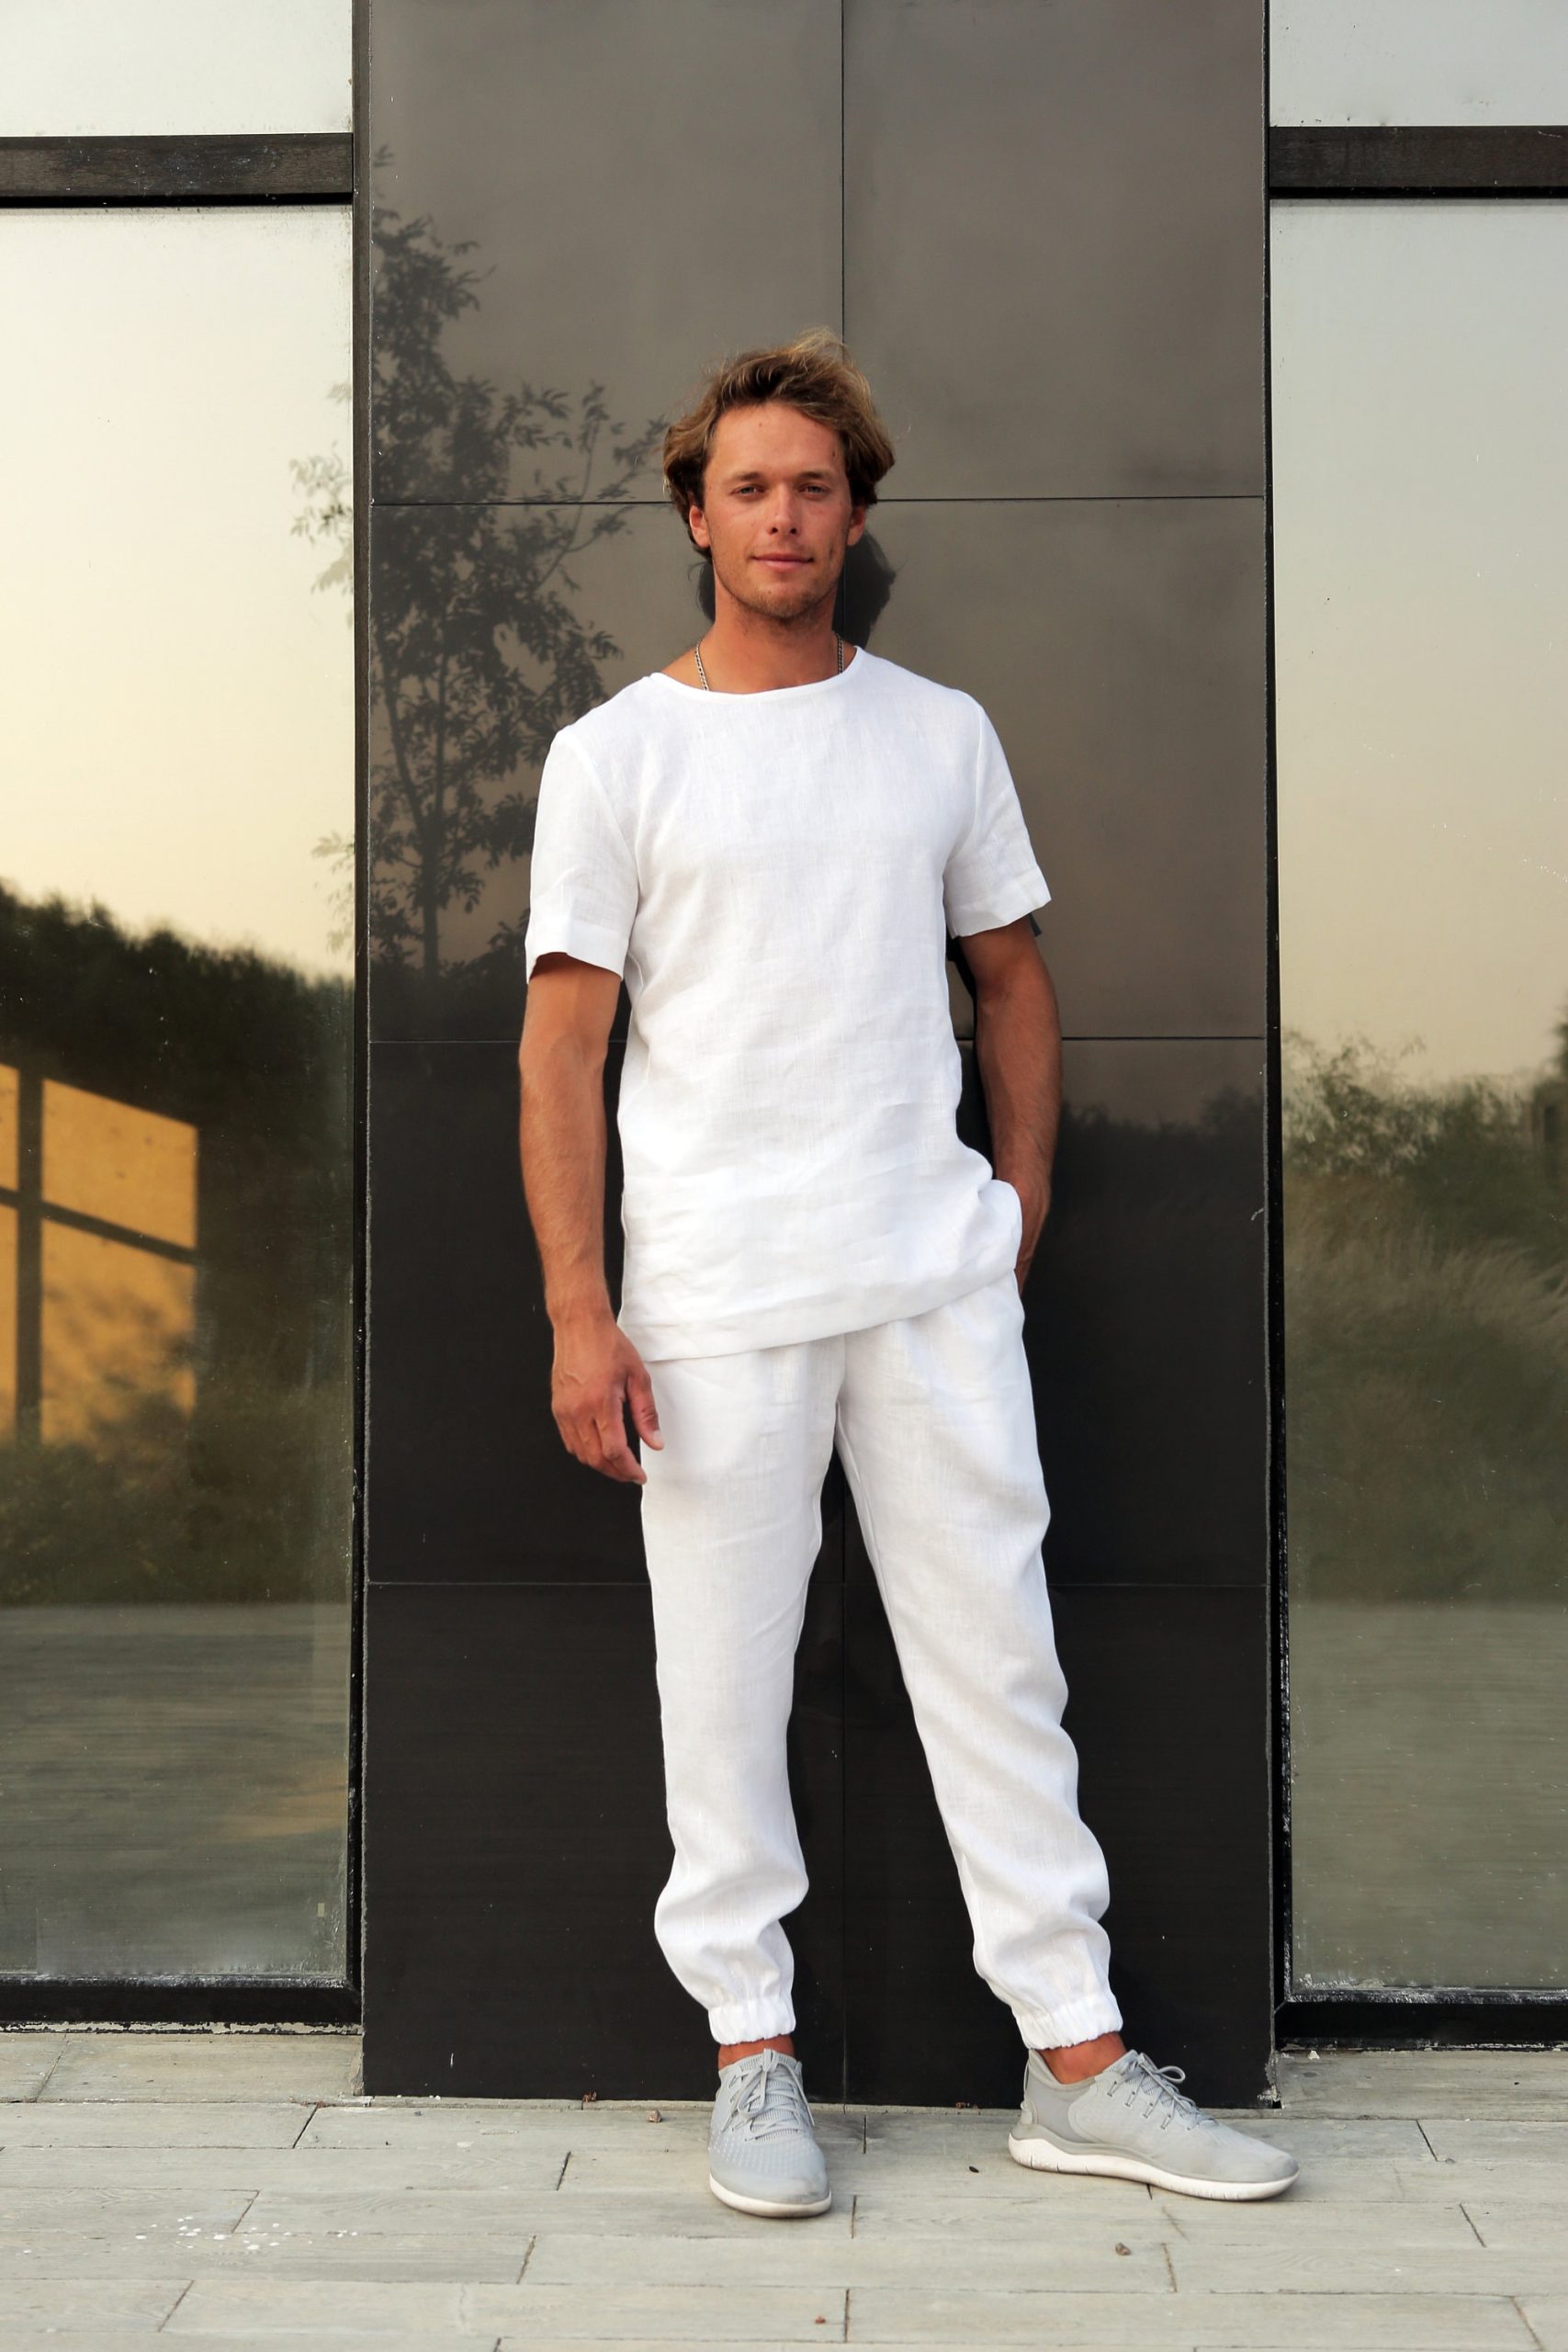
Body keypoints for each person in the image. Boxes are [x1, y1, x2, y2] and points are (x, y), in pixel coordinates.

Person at [517, 328, 1298, 2217]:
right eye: (749, 486)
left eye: (815, 486)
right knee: (719, 1691)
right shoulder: (615, 756)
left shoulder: (940, 732)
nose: (783, 515)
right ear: (696, 514)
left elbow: (1010, 978)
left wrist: (1016, 1199)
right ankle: (750, 2054)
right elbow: (560, 1047)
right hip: (712, 1298)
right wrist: (577, 1310)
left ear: (855, 515)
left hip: (928, 1281)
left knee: (998, 1666)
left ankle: (1077, 2060)